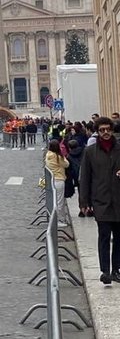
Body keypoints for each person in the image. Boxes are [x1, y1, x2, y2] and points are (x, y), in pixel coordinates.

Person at [79, 116, 120, 285]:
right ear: (97, 132)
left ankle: (116, 269)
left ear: (112, 130)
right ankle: (105, 271)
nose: (105, 133)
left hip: (118, 200)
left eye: (108, 129)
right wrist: (84, 202)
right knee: (103, 236)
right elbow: (85, 178)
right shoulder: (90, 152)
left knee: (119, 238)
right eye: (102, 130)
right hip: (100, 201)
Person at [45, 139, 70, 227]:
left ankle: (56, 219)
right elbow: (66, 164)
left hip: (52, 180)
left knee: (54, 200)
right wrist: (64, 156)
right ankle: (59, 220)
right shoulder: (58, 157)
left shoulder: (48, 155)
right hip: (59, 179)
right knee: (59, 201)